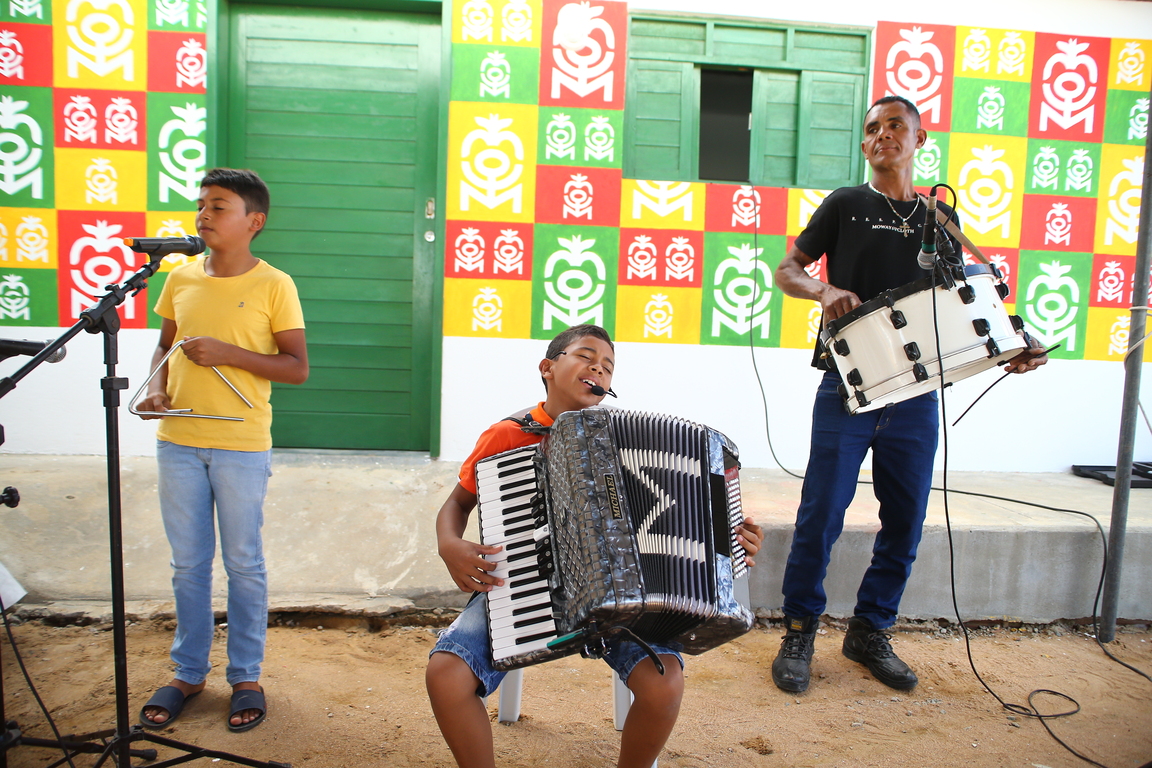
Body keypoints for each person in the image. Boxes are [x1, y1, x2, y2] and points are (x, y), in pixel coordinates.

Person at [770, 96, 1048, 693]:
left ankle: (870, 630)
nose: (881, 136)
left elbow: (967, 307)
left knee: (907, 518)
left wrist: (1011, 348)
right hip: (847, 387)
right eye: (871, 128)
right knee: (822, 513)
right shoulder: (846, 204)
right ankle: (799, 630)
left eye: (895, 126)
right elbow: (786, 270)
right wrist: (822, 289)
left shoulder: (940, 221)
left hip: (918, 394)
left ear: (920, 140)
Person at [425, 323, 764, 768]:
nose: (598, 370)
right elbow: (456, 505)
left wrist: (733, 543)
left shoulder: (632, 441)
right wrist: (449, 543)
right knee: (446, 674)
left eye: (608, 367)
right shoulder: (506, 436)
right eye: (586, 357)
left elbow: (698, 526)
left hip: (622, 606)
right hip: (524, 588)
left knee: (665, 683)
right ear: (548, 367)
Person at [135, 168, 309, 731]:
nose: (204, 215)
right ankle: (187, 671)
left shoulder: (274, 284)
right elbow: (163, 348)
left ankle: (245, 675)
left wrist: (229, 353)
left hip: (240, 445)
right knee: (187, 565)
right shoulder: (179, 278)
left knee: (243, 564)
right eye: (201, 205)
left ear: (253, 222)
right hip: (178, 442)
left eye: (218, 206)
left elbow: (296, 368)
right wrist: (158, 391)